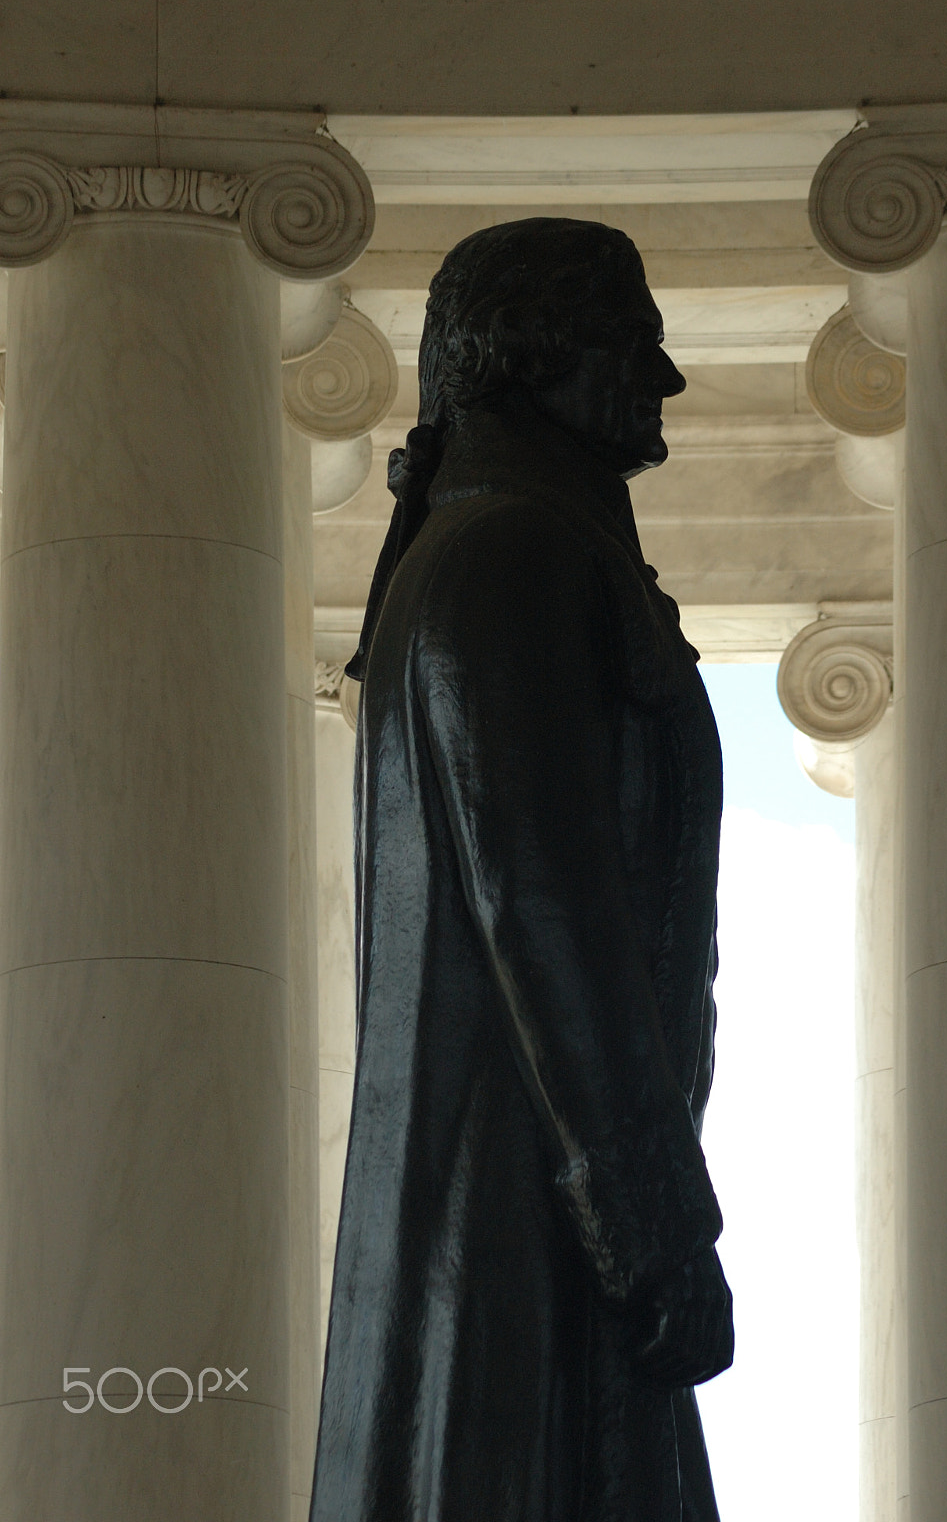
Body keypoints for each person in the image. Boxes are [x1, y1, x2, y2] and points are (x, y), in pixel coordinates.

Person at [310, 217, 733, 1522]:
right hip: (531, 1217)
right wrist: (657, 1235)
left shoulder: (506, 553)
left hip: (523, 1196)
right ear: (536, 354)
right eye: (633, 342)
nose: (661, 381)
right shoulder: (513, 561)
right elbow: (546, 910)